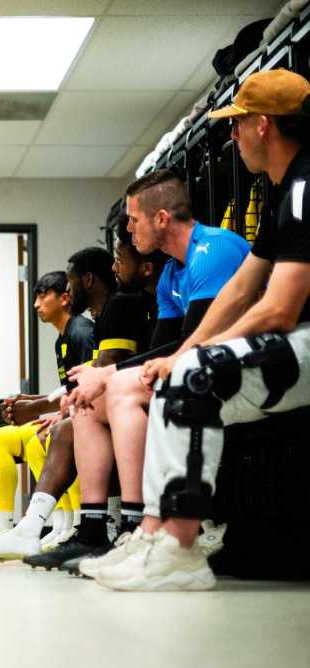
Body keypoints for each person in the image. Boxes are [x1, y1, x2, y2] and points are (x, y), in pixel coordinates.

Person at [93, 69, 310, 591]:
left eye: (237, 124)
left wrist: (195, 354)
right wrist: (183, 352)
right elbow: (241, 290)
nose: (232, 136)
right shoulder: (281, 192)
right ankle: (153, 534)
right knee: (178, 373)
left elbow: (280, 308)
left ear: (263, 125)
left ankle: (181, 548)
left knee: (192, 379)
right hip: (296, 343)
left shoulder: (306, 186)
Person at [65, 170, 249, 577]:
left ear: (161, 218)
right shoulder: (170, 274)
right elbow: (163, 346)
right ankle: (94, 530)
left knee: (120, 387)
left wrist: (110, 372)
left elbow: (198, 341)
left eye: (133, 220)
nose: (128, 230)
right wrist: (100, 376)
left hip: (243, 365)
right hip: (198, 365)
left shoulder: (213, 250)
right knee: (88, 399)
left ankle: (136, 526)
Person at [0, 271, 93, 551]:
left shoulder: (81, 332)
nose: (36, 304)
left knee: (42, 441)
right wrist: (33, 400)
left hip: (86, 416)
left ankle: (73, 524)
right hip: (70, 411)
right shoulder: (62, 339)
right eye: (35, 297)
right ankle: (1, 524)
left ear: (64, 298)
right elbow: (68, 390)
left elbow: (88, 388)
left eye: (43, 296)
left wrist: (48, 411)